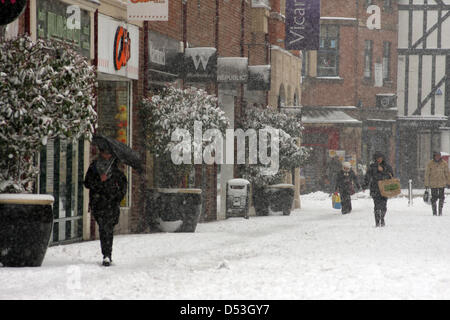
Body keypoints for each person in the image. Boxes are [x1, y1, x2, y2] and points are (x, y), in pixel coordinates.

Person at [84, 147, 127, 266]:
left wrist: (118, 197)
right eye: (104, 153)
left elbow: (123, 185)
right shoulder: (94, 166)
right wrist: (99, 180)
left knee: (109, 228)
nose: (107, 155)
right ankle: (106, 254)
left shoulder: (116, 167)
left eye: (108, 153)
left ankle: (108, 254)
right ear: (101, 153)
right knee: (103, 227)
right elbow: (87, 183)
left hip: (112, 202)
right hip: (99, 202)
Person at [362, 151, 394, 227]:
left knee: (384, 205)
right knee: (376, 205)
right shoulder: (372, 167)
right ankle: (377, 221)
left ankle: (382, 218)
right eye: (377, 158)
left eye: (380, 158)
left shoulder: (387, 166)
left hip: (385, 188)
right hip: (375, 188)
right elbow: (367, 177)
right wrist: (364, 185)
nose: (379, 159)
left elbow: (391, 176)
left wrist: (383, 171)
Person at [424, 151, 450, 216]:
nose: (438, 157)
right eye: (436, 156)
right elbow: (427, 174)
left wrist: (448, 182)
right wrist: (426, 184)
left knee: (441, 197)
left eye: (439, 156)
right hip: (433, 184)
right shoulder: (430, 164)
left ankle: (440, 211)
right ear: (434, 156)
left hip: (442, 183)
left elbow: (447, 174)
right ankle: (434, 212)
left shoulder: (444, 164)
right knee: (434, 198)